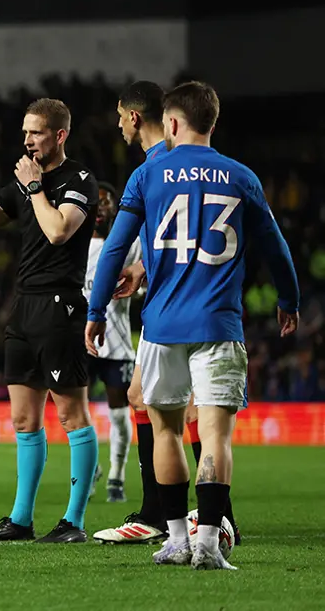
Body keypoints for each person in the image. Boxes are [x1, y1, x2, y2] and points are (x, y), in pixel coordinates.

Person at [86, 81, 299, 570]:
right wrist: (288, 299)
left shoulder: (148, 174)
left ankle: (177, 538)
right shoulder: (241, 176)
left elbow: (115, 250)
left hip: (161, 326)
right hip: (220, 324)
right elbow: (276, 247)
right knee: (216, 436)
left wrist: (96, 312)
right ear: (212, 122)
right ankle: (208, 544)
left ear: (174, 124)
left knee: (164, 431)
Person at [94, 82, 240, 545]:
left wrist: (100, 301)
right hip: (193, 304)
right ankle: (169, 512)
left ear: (136, 118)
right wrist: (144, 269)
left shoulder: (161, 166)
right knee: (146, 398)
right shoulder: (185, 161)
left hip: (179, 312)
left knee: (180, 409)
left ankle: (191, 517)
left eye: (120, 115)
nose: (117, 124)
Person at [0, 98, 100, 543]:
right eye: (24, 132)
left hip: (62, 305)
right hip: (25, 305)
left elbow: (58, 231)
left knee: (72, 414)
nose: (27, 140)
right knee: (23, 419)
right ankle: (20, 520)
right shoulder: (22, 181)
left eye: (35, 133)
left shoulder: (80, 180)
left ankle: (73, 521)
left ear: (60, 135)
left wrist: (35, 188)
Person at [83, 181, 141, 504]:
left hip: (117, 344)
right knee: (80, 410)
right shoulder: (74, 246)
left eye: (108, 203)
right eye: (98, 202)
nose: (102, 208)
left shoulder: (128, 247)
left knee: (119, 415)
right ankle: (90, 467)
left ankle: (117, 474)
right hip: (83, 340)